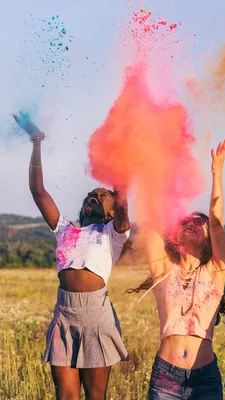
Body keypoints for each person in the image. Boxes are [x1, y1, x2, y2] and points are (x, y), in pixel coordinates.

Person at [13, 111, 130, 400]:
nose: (94, 195)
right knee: (66, 396)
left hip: (96, 316)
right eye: (91, 193)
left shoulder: (113, 234)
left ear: (113, 210)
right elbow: (38, 192)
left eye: (102, 195)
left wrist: (124, 154)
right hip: (64, 315)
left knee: (95, 396)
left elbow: (124, 198)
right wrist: (36, 140)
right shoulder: (66, 229)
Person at [128, 140, 225, 400]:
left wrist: (217, 172)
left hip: (205, 377)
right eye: (185, 221)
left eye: (199, 222)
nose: (192, 223)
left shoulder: (215, 271)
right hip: (166, 377)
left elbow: (217, 222)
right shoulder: (163, 269)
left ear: (208, 237)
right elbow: (153, 218)